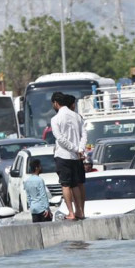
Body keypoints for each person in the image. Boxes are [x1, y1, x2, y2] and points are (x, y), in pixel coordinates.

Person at [50, 92, 87, 220]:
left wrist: (75, 148)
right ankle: (79, 211)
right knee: (76, 184)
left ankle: (71, 212)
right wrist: (80, 149)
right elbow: (84, 134)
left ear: (55, 103)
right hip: (76, 157)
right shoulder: (77, 116)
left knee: (65, 185)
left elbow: (59, 138)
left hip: (63, 155)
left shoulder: (55, 119)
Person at [24, 158, 53, 222]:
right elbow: (43, 195)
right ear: (36, 168)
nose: (41, 167)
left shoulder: (27, 181)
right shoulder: (40, 180)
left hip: (33, 209)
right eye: (40, 166)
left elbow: (28, 196)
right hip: (42, 208)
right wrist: (47, 208)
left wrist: (30, 206)